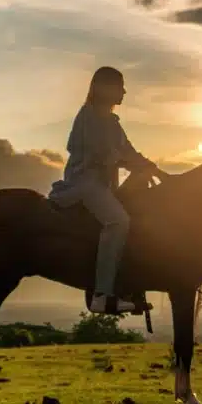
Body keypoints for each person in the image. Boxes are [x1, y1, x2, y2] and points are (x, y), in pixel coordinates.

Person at [49, 66, 165, 314]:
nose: (124, 91)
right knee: (118, 221)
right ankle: (101, 294)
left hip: (103, 185)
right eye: (119, 85)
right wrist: (134, 163)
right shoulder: (89, 117)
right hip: (86, 183)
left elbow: (129, 151)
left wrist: (152, 169)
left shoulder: (112, 122)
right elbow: (105, 156)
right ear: (104, 88)